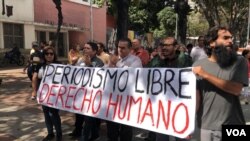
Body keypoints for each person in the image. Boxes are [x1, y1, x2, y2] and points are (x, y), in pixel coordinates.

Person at [193, 26, 248, 141]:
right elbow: (196, 99)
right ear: (212, 43)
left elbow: (236, 89)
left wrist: (205, 74)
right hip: (206, 127)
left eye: (231, 38)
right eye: (225, 38)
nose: (230, 41)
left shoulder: (239, 61)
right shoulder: (198, 65)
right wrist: (186, 126)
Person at [147, 37, 192, 141]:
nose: (163, 47)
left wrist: (181, 55)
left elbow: (184, 72)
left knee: (181, 138)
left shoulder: (185, 59)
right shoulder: (157, 60)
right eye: (162, 45)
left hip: (179, 107)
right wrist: (159, 59)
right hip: (161, 108)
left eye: (167, 45)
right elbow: (147, 74)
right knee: (161, 137)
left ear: (176, 47)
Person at [106, 38, 142, 141]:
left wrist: (117, 63)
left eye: (123, 48)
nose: (120, 50)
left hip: (127, 101)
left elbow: (132, 75)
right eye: (119, 47)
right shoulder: (113, 59)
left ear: (130, 49)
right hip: (112, 100)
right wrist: (109, 65)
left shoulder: (135, 60)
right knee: (111, 129)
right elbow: (105, 75)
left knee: (125, 130)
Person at [36, 46, 62, 141]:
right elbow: (36, 78)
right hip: (43, 94)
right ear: (44, 55)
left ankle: (59, 135)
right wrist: (35, 92)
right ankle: (50, 133)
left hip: (55, 95)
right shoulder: (40, 65)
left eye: (51, 53)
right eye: (47, 54)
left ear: (54, 55)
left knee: (53, 114)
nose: (49, 55)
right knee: (46, 114)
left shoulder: (59, 65)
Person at [79, 42, 104, 141]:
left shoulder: (99, 62)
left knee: (88, 118)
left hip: (93, 95)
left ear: (94, 51)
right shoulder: (80, 60)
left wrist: (89, 65)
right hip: (81, 94)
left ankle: (84, 138)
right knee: (87, 118)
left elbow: (98, 79)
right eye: (84, 48)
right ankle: (95, 135)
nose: (85, 50)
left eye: (88, 48)